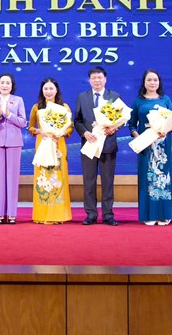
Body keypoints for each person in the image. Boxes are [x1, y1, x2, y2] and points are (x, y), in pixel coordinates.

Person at [73, 67, 121, 226]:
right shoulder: (82, 97)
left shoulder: (114, 96)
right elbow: (77, 121)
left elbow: (121, 119)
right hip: (89, 144)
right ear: (89, 80)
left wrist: (114, 128)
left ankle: (108, 215)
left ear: (105, 79)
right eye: (93, 78)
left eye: (99, 77)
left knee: (108, 181)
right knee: (89, 181)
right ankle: (91, 214)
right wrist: (85, 133)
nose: (97, 80)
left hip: (108, 145)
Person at [128, 69, 172, 226]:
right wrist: (138, 137)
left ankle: (164, 214)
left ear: (159, 82)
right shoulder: (138, 101)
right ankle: (149, 215)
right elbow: (131, 124)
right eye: (149, 80)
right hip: (145, 144)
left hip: (162, 144)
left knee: (163, 178)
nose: (152, 83)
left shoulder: (165, 100)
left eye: (155, 80)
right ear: (144, 82)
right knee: (147, 178)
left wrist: (166, 130)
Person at [29, 77, 72, 224]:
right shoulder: (37, 107)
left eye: (51, 88)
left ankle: (57, 215)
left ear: (56, 90)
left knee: (57, 177)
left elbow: (70, 128)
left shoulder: (64, 107)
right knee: (43, 178)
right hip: (42, 145)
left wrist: (61, 133)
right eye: (45, 89)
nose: (48, 91)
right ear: (42, 91)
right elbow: (31, 128)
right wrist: (40, 131)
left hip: (58, 145)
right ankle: (41, 215)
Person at [0, 73, 27, 224]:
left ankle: (11, 213)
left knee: (12, 177)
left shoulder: (18, 100)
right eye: (2, 82)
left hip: (14, 142)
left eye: (8, 83)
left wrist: (9, 115)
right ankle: (0, 213)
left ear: (12, 85)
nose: (5, 85)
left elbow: (23, 122)